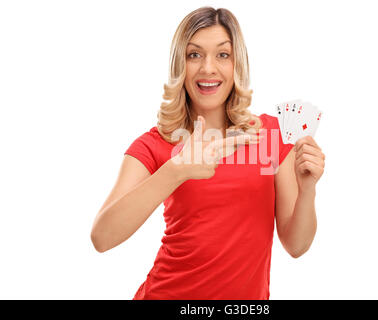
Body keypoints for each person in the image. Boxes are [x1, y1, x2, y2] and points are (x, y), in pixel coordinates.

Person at [90, 6, 326, 300]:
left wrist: (308, 190)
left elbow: (296, 245)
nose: (208, 68)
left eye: (222, 55)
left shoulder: (270, 136)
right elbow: (102, 237)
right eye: (194, 55)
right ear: (180, 65)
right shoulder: (156, 144)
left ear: (237, 63)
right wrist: (176, 171)